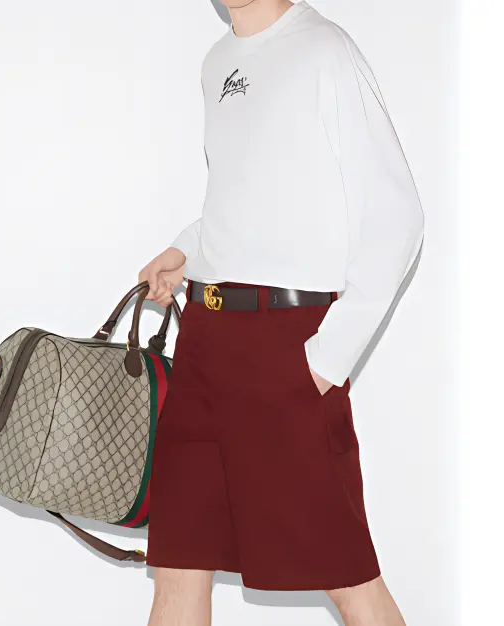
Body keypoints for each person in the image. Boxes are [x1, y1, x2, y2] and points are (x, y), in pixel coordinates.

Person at [138, 1, 424, 624]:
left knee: (348, 575)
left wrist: (326, 359)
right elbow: (248, 199)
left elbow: (397, 215)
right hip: (204, 341)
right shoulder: (217, 63)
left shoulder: (324, 49)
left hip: (286, 348)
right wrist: (185, 252)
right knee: (178, 569)